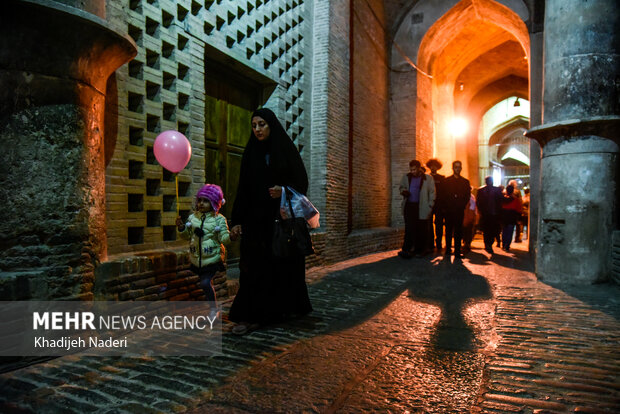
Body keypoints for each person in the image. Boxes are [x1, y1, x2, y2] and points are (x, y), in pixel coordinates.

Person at [228, 107, 312, 335]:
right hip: (255, 222)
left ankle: (279, 310)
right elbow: (243, 188)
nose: (257, 130)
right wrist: (237, 220)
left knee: (280, 267)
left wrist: (283, 189)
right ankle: (251, 315)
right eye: (254, 125)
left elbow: (301, 182)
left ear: (271, 125)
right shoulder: (251, 152)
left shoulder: (285, 149)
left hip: (279, 221)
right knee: (253, 268)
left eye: (261, 125)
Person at [176, 184, 235, 319]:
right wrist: (181, 228)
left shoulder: (219, 219)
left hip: (213, 257)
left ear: (214, 202)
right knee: (205, 282)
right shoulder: (193, 218)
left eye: (206, 200)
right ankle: (213, 306)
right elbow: (186, 236)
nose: (201, 203)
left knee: (205, 282)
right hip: (197, 258)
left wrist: (231, 236)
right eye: (200, 200)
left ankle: (214, 309)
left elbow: (223, 238)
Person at [398, 159, 436, 258]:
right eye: (411, 170)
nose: (412, 172)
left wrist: (430, 206)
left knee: (421, 229)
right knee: (409, 228)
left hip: (422, 207)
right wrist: (404, 191)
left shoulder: (428, 178)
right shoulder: (406, 177)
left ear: (419, 168)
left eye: (414, 169)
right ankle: (406, 249)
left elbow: (432, 193)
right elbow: (401, 187)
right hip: (409, 206)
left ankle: (420, 250)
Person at [441, 160, 471, 259]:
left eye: (459, 167)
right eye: (456, 167)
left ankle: (457, 251)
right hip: (449, 210)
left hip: (459, 210)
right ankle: (448, 249)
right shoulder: (446, 181)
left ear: (461, 168)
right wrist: (445, 207)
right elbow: (443, 196)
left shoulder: (465, 182)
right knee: (449, 231)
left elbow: (467, 196)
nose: (457, 169)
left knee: (458, 231)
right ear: (453, 168)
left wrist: (462, 205)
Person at [476, 176, 504, 254]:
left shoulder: (497, 190)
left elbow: (501, 200)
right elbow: (478, 202)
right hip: (486, 214)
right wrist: (481, 211)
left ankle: (489, 243)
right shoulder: (481, 190)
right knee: (486, 230)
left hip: (494, 213)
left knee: (492, 230)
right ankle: (487, 244)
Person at [426, 158, 445, 250]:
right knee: (429, 224)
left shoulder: (442, 178)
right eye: (431, 166)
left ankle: (439, 242)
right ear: (429, 167)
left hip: (439, 205)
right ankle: (430, 243)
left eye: (435, 166)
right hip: (429, 204)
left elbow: (444, 192)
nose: (433, 168)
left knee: (439, 224)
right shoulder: (426, 178)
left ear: (438, 167)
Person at [501, 184, 523, 252]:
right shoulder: (516, 200)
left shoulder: (503, 199)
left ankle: (503, 244)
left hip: (504, 217)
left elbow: (500, 207)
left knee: (504, 231)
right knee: (510, 232)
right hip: (512, 217)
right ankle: (507, 246)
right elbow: (519, 209)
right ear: (513, 191)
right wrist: (519, 218)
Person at [462, 188, 476, 253]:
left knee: (467, 231)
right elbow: (473, 207)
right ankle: (467, 243)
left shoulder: (469, 197)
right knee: (468, 231)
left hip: (467, 216)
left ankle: (466, 243)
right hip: (469, 216)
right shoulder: (472, 197)